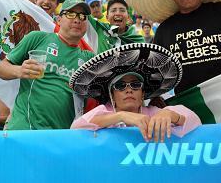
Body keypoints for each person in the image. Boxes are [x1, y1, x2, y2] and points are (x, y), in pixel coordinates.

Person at [0, 0, 95, 130]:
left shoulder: (89, 58)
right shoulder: (38, 38)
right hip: (26, 128)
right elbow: (0, 69)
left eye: (82, 17)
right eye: (70, 14)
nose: (77, 20)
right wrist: (20, 71)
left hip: (61, 136)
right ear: (59, 20)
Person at [70, 43, 201, 142]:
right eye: (120, 85)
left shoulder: (153, 112)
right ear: (112, 95)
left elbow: (195, 121)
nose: (129, 89)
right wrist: (120, 116)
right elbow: (75, 128)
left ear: (142, 94)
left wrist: (170, 114)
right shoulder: (103, 111)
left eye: (135, 85)